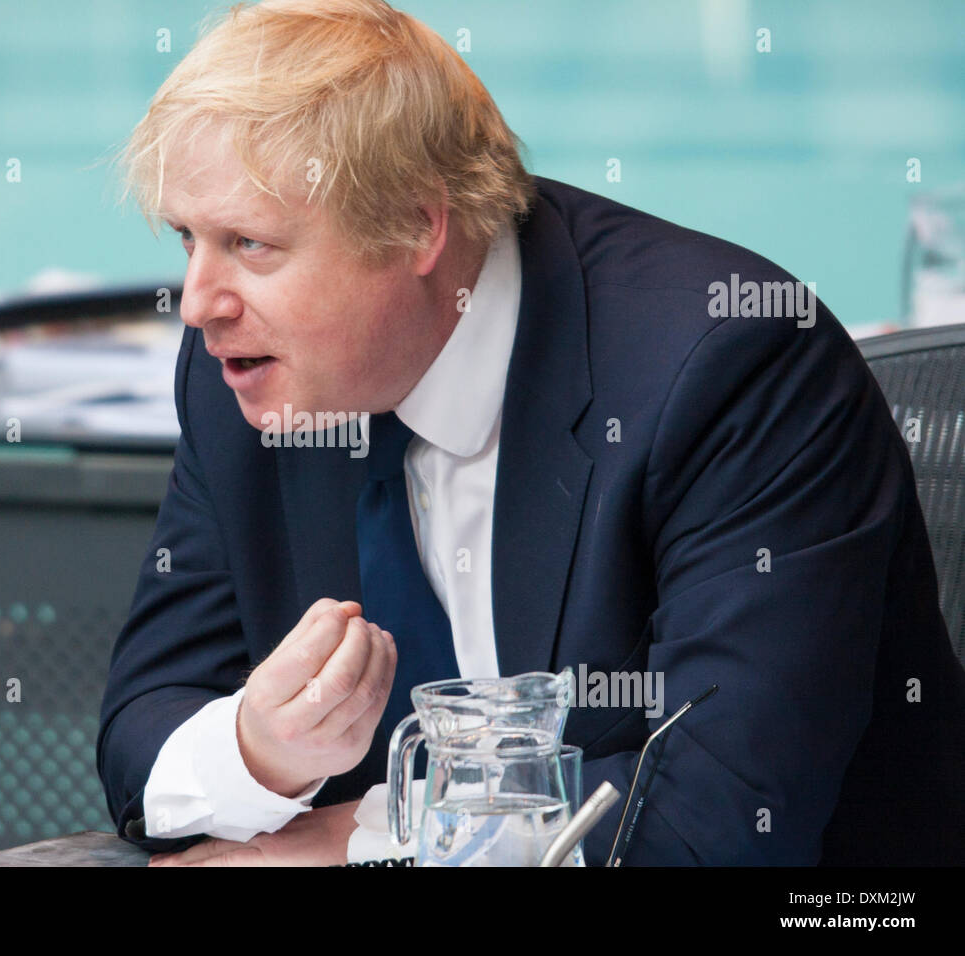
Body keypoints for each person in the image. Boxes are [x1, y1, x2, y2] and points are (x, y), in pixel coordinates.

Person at [96, 0, 965, 866]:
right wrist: (259, 750)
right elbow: (145, 731)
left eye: (250, 243)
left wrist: (369, 841)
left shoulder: (726, 367)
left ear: (417, 225)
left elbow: (725, 816)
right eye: (186, 238)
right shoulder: (244, 374)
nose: (199, 303)